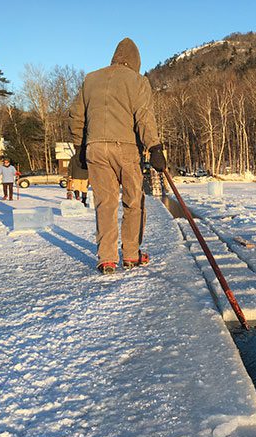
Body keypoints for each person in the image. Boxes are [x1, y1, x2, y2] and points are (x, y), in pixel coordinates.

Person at [69, 37, 166, 275]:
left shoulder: (90, 79)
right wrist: (154, 147)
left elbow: (75, 115)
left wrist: (79, 148)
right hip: (125, 148)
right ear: (135, 61)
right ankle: (131, 254)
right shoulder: (137, 81)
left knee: (105, 203)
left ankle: (107, 258)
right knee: (133, 201)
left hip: (94, 149)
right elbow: (143, 116)